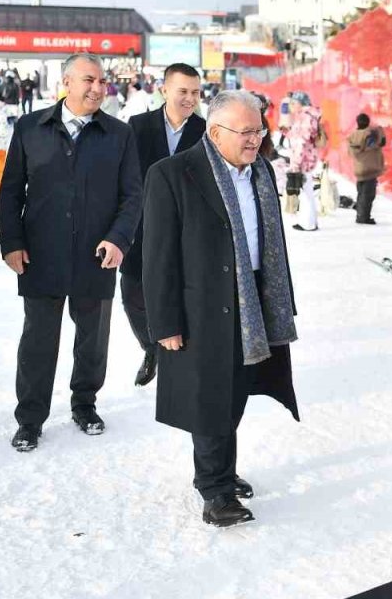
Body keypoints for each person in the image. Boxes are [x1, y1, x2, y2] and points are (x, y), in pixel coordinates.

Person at [143, 90, 300, 527]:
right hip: (201, 307)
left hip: (253, 301)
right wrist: (165, 322)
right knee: (210, 398)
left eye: (259, 130)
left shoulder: (261, 172)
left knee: (234, 393)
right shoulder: (173, 174)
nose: (256, 140)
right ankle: (215, 490)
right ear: (215, 132)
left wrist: (281, 299)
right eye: (246, 132)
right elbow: (157, 257)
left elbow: (272, 242)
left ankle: (223, 472)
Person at [0, 53, 142, 452]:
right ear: (67, 81)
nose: (98, 88)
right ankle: (29, 419)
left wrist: (119, 238)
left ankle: (85, 404)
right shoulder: (31, 128)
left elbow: (133, 195)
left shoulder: (119, 134)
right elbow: (11, 191)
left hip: (97, 254)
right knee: (38, 340)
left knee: (93, 339)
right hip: (40, 253)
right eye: (89, 80)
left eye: (102, 81)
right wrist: (11, 242)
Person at [122, 63, 206, 387]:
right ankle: (151, 346)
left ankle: (179, 356)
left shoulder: (205, 130)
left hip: (187, 229)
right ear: (165, 90)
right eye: (183, 91)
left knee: (182, 293)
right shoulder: (138, 126)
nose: (189, 98)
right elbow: (124, 176)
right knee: (132, 295)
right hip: (141, 225)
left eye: (195, 92)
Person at [283, 91, 324, 232]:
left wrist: (296, 165)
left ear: (300, 103)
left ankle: (308, 223)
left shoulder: (304, 117)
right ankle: (309, 221)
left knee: (306, 193)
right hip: (308, 158)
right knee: (307, 192)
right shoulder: (309, 116)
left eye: (293, 103)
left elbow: (301, 142)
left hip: (303, 161)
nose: (291, 106)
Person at [347, 112, 386, 225]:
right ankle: (364, 218)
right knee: (368, 195)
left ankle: (360, 215)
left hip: (359, 169)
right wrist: (378, 128)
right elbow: (382, 141)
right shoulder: (371, 134)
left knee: (361, 194)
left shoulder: (353, 135)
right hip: (371, 169)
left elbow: (350, 152)